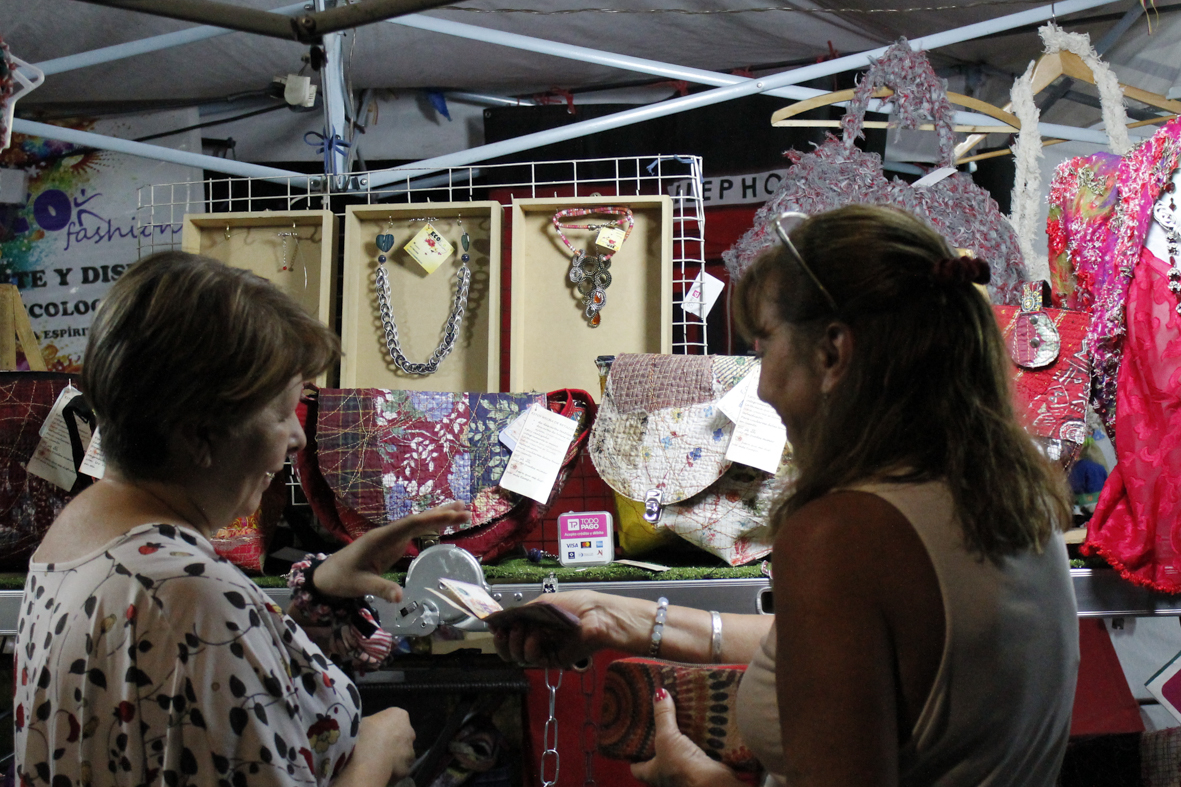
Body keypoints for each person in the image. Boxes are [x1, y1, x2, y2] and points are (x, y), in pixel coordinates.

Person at [494, 205, 1079, 787]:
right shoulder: (1009, 495)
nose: (764, 387)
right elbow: (837, 644)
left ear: (832, 354)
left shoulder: (847, 531)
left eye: (765, 346)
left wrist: (697, 780)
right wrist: (621, 618)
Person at [15, 251, 471, 787]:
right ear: (199, 431)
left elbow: (194, 709)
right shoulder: (190, 593)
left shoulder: (76, 535)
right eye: (281, 413)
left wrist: (322, 590)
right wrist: (374, 751)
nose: (297, 437)